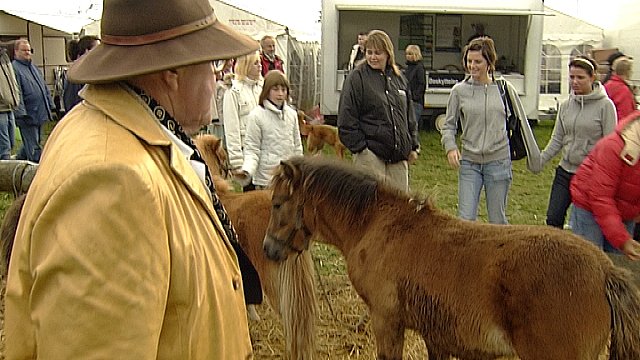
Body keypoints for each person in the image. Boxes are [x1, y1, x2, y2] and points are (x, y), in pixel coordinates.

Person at [5, 0, 260, 358]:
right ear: (173, 71)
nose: (217, 76)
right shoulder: (114, 180)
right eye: (212, 62)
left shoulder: (127, 134)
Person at [440, 37, 540, 224]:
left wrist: (535, 158)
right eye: (469, 61)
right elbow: (449, 125)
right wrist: (450, 147)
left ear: (489, 62)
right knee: (465, 219)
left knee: (497, 220)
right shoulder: (458, 91)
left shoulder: (504, 90)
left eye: (478, 61)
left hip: (499, 162)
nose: (472, 66)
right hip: (470, 162)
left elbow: (521, 123)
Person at [536, 56, 616, 229]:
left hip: (589, 175)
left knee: (583, 226)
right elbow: (557, 139)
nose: (575, 82)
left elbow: (610, 145)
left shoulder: (605, 106)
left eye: (580, 77)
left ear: (592, 77)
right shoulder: (565, 106)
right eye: (572, 77)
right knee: (553, 219)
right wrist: (540, 160)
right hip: (565, 171)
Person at [338, 29, 420, 193]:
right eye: (369, 52)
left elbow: (408, 116)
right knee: (371, 208)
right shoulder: (356, 78)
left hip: (397, 156)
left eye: (378, 53)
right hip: (371, 155)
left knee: (400, 207)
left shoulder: (399, 78)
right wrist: (361, 149)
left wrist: (413, 145)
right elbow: (346, 119)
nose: (373, 57)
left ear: (388, 54)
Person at [570, 110, 640, 260]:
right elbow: (600, 197)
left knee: (620, 268)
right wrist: (622, 240)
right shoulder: (613, 147)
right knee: (589, 263)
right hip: (589, 207)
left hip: (624, 211)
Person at [235, 70, 303, 189]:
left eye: (283, 89)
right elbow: (252, 149)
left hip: (288, 179)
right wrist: (247, 170)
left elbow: (297, 146)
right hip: (266, 180)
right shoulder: (256, 116)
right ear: (267, 91)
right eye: (275, 89)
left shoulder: (292, 115)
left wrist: (301, 171)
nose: (280, 94)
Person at [223, 51, 262, 190]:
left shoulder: (263, 89)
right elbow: (231, 129)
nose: (260, 66)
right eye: (255, 63)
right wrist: (237, 163)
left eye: (260, 62)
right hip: (246, 153)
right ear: (246, 65)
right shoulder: (233, 92)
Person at [12, 38, 55, 163]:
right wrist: (21, 114)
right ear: (16, 52)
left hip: (40, 113)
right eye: (24, 50)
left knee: (30, 144)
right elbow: (17, 92)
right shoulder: (15, 69)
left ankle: (16, 163)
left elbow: (44, 87)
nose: (27, 53)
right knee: (34, 149)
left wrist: (50, 105)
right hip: (27, 116)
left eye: (29, 50)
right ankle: (35, 172)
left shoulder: (34, 67)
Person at [62, 35, 100, 113]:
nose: (101, 53)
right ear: (87, 51)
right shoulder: (77, 74)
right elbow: (71, 105)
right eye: (97, 49)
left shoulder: (91, 71)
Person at [0, 44, 20, 160]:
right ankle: (4, 175)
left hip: (9, 107)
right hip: (1, 109)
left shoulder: (4, 56)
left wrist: (15, 98)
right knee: (4, 146)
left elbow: (12, 80)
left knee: (11, 143)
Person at [604, 55, 636, 121]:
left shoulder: (607, 85)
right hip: (621, 127)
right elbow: (625, 114)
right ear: (628, 71)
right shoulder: (623, 90)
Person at [404, 44, 426, 130]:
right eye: (406, 54)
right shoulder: (408, 68)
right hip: (408, 100)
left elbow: (422, 84)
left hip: (415, 102)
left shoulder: (419, 68)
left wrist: (414, 97)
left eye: (409, 54)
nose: (407, 56)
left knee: (413, 126)